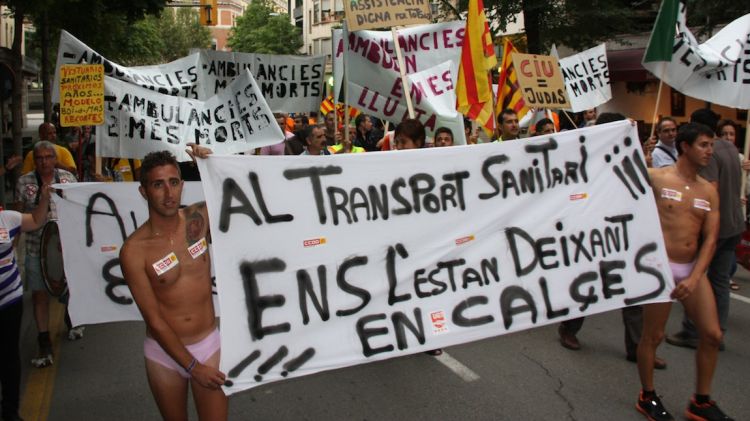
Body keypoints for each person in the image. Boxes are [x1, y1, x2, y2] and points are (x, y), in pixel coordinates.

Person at [120, 149, 228, 420]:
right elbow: (154, 319)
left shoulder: (197, 219)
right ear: (144, 191)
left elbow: (239, 189)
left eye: (174, 182)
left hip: (209, 346)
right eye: (158, 184)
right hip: (164, 355)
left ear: (182, 184)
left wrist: (211, 161)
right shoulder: (134, 251)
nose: (169, 193)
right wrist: (193, 366)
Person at [635, 122, 731, 421]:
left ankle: (700, 401)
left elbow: (711, 239)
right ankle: (647, 395)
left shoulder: (709, 191)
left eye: (711, 145)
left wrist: (694, 277)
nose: (710, 151)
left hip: (691, 269)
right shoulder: (657, 178)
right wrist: (634, 147)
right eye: (704, 145)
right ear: (685, 147)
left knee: (712, 334)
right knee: (654, 335)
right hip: (659, 268)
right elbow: (616, 172)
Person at [557, 112, 666, 370]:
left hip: (625, 235)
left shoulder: (629, 158)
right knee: (588, 287)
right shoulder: (583, 161)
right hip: (594, 238)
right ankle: (568, 328)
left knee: (634, 290)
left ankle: (637, 348)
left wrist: (644, 161)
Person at [666, 109, 744, 353]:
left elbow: (708, 190)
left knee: (696, 277)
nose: (707, 148)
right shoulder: (729, 148)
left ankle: (693, 330)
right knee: (720, 280)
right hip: (734, 223)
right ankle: (717, 330)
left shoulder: (706, 156)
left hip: (714, 228)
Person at [15, 141, 80, 369]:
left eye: (48, 157)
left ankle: (72, 317)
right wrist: (13, 248)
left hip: (65, 246)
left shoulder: (67, 180)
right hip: (35, 246)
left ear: (55, 158)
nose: (44, 162)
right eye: (39, 158)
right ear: (35, 160)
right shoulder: (24, 182)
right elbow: (20, 214)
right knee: (39, 294)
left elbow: (78, 209)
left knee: (68, 286)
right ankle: (44, 339)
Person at [1, 180, 51, 421]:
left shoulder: (7, 219)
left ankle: (10, 412)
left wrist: (44, 198)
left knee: (9, 357)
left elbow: (36, 221)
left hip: (9, 300)